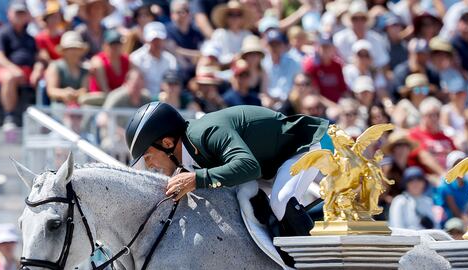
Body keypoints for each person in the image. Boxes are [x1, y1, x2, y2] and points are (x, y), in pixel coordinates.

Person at [126, 102, 328, 233]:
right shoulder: (187, 155)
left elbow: (248, 166)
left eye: (148, 157)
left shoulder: (205, 133)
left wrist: (198, 179)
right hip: (267, 165)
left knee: (281, 202)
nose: (150, 165)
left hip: (297, 150)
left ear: (168, 143)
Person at [0, 1, 44, 131]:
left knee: (47, 78)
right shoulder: (2, 32)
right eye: (17, 13)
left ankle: (42, 120)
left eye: (22, 13)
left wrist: (37, 70)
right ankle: (9, 117)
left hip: (26, 71)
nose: (20, 16)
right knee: (9, 77)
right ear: (9, 14)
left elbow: (38, 58)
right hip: (6, 70)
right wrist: (13, 69)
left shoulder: (30, 37)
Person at [129, 22, 177, 97]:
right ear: (146, 39)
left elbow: (172, 85)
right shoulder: (136, 58)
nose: (157, 43)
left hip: (164, 100)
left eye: (159, 39)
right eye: (153, 40)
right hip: (142, 101)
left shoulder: (170, 60)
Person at [45, 31, 90, 107]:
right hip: (59, 107)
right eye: (71, 48)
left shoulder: (85, 70)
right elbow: (51, 90)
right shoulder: (55, 66)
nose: (74, 52)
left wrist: (76, 94)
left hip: (80, 108)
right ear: (64, 51)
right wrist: (64, 93)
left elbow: (85, 89)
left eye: (76, 48)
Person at [302, 34, 347, 104]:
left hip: (338, 102)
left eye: (328, 47)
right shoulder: (312, 66)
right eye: (323, 47)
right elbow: (314, 93)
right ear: (318, 48)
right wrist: (333, 106)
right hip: (320, 104)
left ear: (333, 48)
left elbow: (343, 90)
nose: (325, 50)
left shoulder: (337, 65)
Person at [87, 29, 129, 94]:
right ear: (104, 45)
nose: (115, 47)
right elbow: (105, 90)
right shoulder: (98, 61)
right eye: (112, 44)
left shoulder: (127, 60)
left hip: (120, 99)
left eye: (118, 44)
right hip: (100, 100)